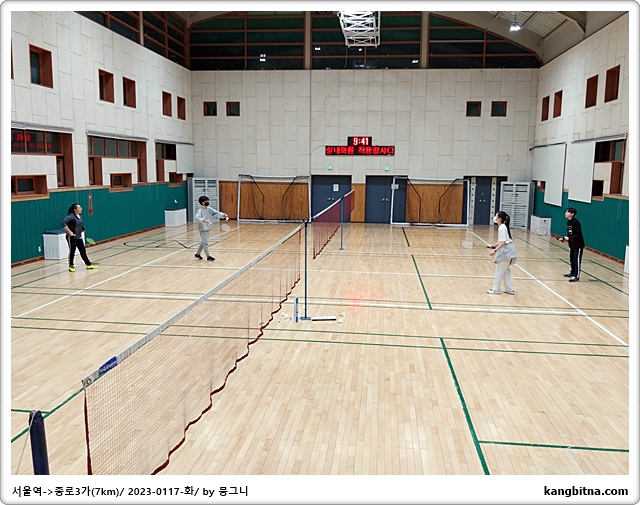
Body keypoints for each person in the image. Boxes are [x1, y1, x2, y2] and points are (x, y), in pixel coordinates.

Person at [61, 203, 98, 272]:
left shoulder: (80, 216)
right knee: (72, 251)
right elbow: (63, 222)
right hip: (72, 237)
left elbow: (79, 224)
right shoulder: (71, 216)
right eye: (79, 208)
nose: (81, 209)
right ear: (75, 210)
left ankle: (88, 264)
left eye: (81, 207)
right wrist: (69, 232)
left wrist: (82, 229)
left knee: (83, 250)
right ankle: (71, 266)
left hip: (78, 236)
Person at [487, 210, 517, 295]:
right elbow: (503, 241)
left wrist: (495, 250)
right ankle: (509, 289)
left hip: (506, 251)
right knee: (506, 271)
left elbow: (503, 242)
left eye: (496, 216)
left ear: (500, 218)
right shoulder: (503, 227)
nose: (495, 217)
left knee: (499, 271)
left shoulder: (502, 228)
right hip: (508, 250)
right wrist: (495, 245)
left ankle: (496, 289)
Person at [195, 195, 228, 261]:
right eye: (206, 201)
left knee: (204, 241)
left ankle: (197, 254)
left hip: (208, 227)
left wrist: (223, 215)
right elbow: (197, 218)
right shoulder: (200, 210)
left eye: (207, 201)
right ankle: (208, 256)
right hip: (203, 228)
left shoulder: (209, 209)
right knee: (205, 242)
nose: (207, 202)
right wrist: (204, 220)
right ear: (202, 202)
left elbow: (216, 213)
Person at [557, 207, 584, 282]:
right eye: (566, 212)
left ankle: (576, 276)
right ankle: (572, 272)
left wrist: (569, 238)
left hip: (578, 245)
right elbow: (570, 234)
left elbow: (578, 234)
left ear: (572, 214)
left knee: (576, 260)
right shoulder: (569, 222)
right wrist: (563, 238)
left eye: (567, 212)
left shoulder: (575, 222)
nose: (565, 213)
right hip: (572, 244)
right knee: (572, 259)